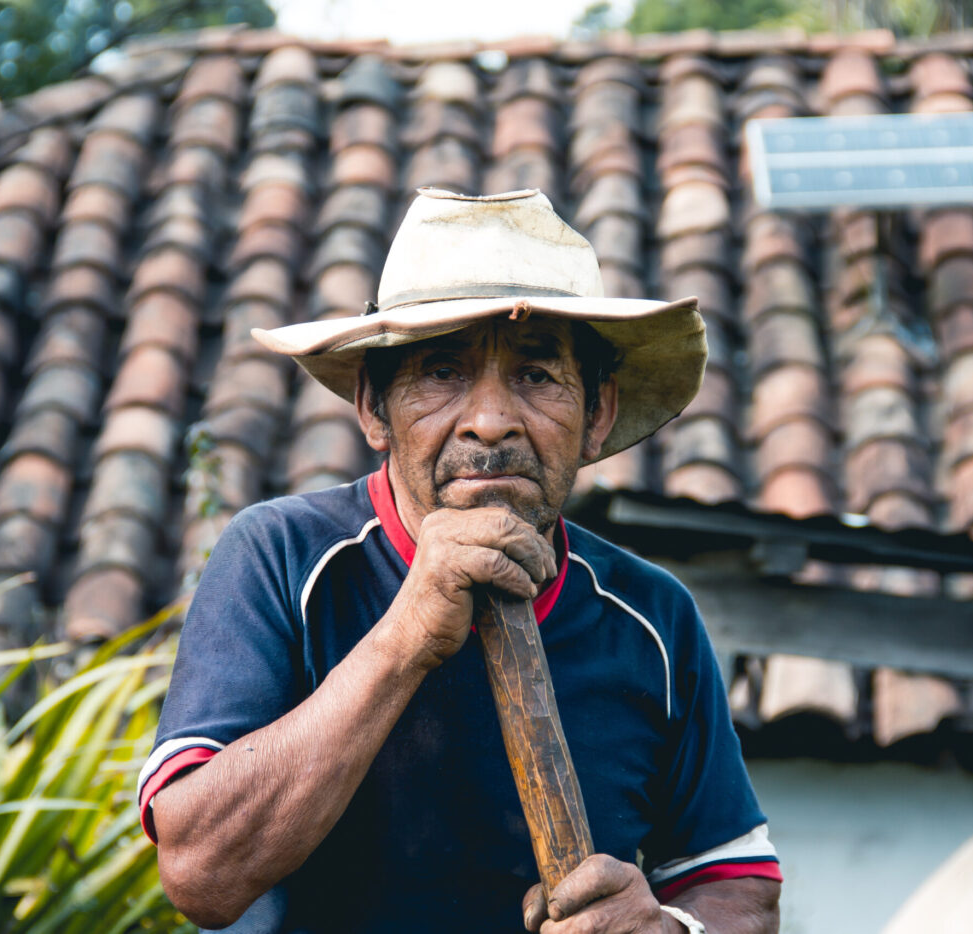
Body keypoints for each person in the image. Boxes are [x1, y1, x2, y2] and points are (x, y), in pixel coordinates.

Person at [139, 188, 781, 933]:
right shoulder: (283, 559)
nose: (489, 420)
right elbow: (200, 877)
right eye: (442, 373)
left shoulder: (653, 618)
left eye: (537, 376)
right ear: (374, 409)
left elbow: (740, 890)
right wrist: (407, 633)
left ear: (596, 416)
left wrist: (670, 930)